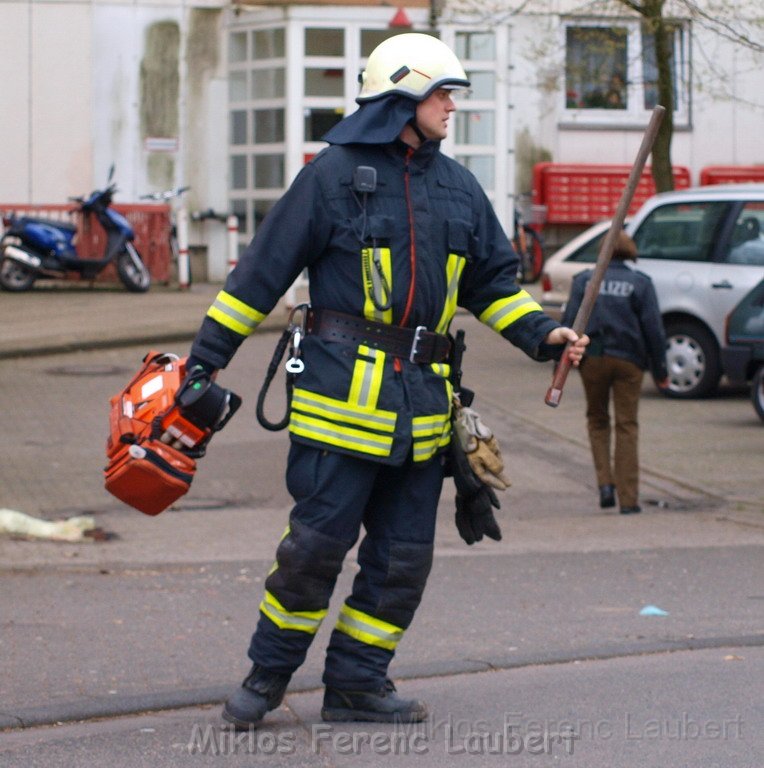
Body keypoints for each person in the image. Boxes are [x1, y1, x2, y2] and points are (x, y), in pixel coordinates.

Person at [186, 32, 588, 728]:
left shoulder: (459, 188)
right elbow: (260, 274)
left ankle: (357, 684)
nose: (450, 107)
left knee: (403, 561)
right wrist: (205, 360)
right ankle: (266, 678)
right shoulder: (331, 175)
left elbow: (493, 284)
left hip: (423, 417)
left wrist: (540, 333)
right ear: (401, 96)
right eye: (440, 94)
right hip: (339, 409)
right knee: (312, 554)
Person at [562, 231, 668, 515]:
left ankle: (605, 484)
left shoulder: (584, 280)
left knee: (597, 420)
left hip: (593, 358)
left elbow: (569, 322)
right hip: (630, 362)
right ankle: (629, 499)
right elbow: (653, 330)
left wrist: (559, 365)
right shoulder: (641, 283)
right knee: (627, 426)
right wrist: (661, 370)